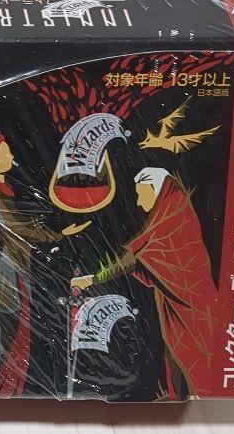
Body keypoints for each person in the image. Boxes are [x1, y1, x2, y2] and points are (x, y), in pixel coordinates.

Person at [71, 167, 217, 400]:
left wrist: (93, 279)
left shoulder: (172, 218)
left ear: (156, 191)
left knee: (193, 350)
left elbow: (135, 257)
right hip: (176, 303)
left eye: (142, 194)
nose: (139, 202)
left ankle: (197, 393)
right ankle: (181, 394)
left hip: (192, 305)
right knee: (177, 348)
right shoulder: (170, 213)